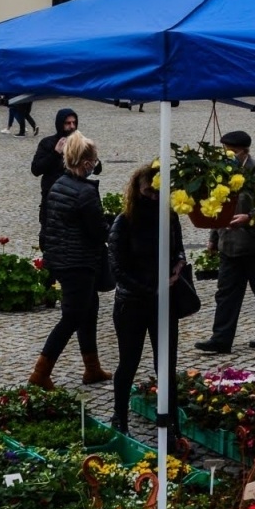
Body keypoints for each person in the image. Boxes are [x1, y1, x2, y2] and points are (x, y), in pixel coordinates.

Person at [109, 162, 186, 435]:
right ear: (137, 190)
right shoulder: (125, 221)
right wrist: (150, 288)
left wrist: (178, 266)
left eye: (158, 192)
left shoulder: (170, 217)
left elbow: (178, 249)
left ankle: (172, 424)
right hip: (132, 303)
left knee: (166, 365)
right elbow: (117, 269)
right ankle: (119, 418)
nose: (153, 197)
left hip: (163, 303)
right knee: (128, 363)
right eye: (148, 192)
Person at [32, 133, 113, 387]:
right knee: (71, 318)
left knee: (88, 312)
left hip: (62, 259)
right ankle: (40, 373)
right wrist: (113, 222)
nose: (94, 164)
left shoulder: (58, 184)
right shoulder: (85, 193)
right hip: (79, 262)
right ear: (86, 162)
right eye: (94, 160)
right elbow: (98, 231)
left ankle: (92, 368)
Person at [196, 130, 255, 353]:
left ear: (243, 151)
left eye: (230, 150)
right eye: (224, 150)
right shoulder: (221, 173)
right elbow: (217, 207)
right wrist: (213, 239)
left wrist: (249, 217)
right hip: (229, 245)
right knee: (225, 293)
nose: (226, 154)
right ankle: (221, 338)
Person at [32, 108, 98, 224]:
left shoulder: (80, 144)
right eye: (68, 123)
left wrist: (92, 157)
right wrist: (55, 153)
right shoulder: (47, 143)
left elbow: (97, 168)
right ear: (60, 124)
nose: (72, 126)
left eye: (74, 123)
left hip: (75, 197)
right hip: (52, 198)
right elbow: (36, 169)